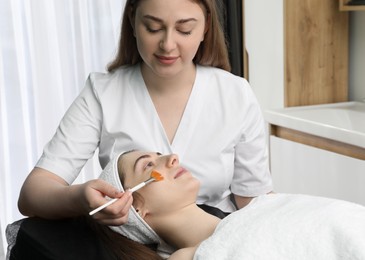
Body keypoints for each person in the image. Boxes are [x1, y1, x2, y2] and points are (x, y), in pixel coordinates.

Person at [18, 0, 272, 230]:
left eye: (184, 30)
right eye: (153, 27)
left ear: (206, 25)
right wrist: (80, 198)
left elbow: (253, 200)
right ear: (132, 19)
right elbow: (32, 194)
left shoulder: (235, 93)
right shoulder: (104, 93)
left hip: (217, 238)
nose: (168, 45)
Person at [97, 150, 365, 259]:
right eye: (148, 165)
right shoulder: (187, 256)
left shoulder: (262, 208)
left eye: (159, 153)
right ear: (136, 209)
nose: (171, 158)